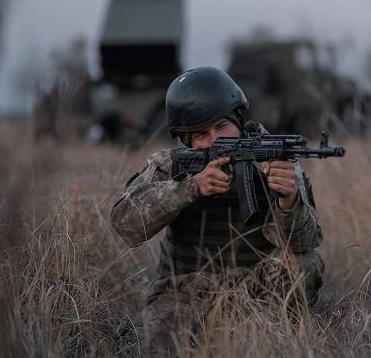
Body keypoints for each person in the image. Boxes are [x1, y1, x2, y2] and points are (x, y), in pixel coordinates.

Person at [109, 67, 324, 354]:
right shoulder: (171, 166)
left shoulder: (275, 160)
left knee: (304, 265)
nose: (215, 141)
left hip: (257, 291)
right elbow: (125, 223)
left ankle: (270, 333)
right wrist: (190, 188)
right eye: (201, 134)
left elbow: (304, 245)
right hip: (185, 292)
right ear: (186, 140)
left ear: (238, 120)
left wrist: (288, 202)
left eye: (222, 127)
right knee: (156, 346)